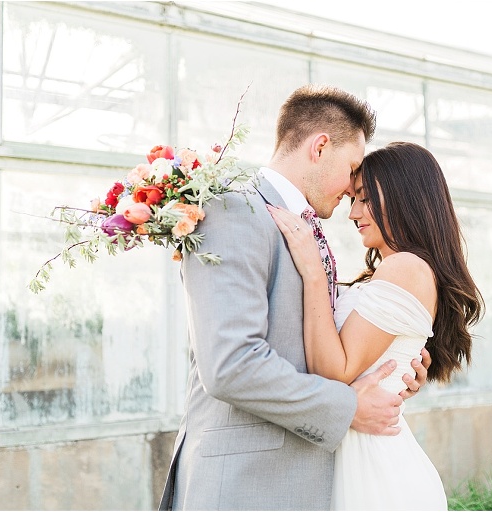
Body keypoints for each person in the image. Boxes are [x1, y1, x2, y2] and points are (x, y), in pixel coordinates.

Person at [159, 86, 433, 511]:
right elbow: (232, 364)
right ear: (320, 147)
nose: (351, 191)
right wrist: (347, 407)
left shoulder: (297, 224)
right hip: (243, 488)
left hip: (306, 482)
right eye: (352, 168)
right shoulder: (234, 211)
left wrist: (391, 370)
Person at [268, 141, 485, 510]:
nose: (353, 213)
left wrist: (314, 275)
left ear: (407, 198)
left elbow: (334, 370)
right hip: (361, 452)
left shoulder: (405, 268)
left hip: (372, 469)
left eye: (365, 199)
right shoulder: (396, 270)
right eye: (353, 198)